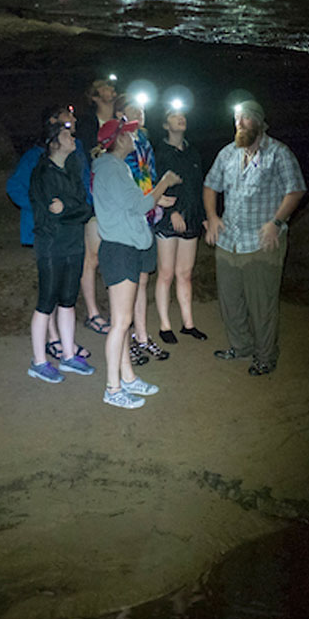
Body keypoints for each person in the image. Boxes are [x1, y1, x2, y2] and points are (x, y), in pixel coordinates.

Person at [203, 100, 306, 376]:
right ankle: (241, 346)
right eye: (237, 118)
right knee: (230, 300)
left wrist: (276, 222)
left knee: (262, 304)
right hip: (229, 241)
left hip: (261, 242)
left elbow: (295, 190)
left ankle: (265, 355)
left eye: (246, 118)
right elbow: (210, 185)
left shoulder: (279, 153)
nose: (240, 123)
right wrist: (213, 217)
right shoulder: (228, 153)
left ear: (259, 122)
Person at [92, 117, 181, 409]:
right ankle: (112, 388)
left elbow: (131, 204)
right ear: (118, 140)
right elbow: (140, 205)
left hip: (124, 247)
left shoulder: (113, 169)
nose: (133, 139)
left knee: (124, 321)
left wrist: (155, 198)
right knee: (119, 323)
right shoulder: (111, 168)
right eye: (128, 135)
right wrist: (163, 183)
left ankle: (128, 378)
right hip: (120, 250)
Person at [7, 104, 91, 361]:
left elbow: (84, 194)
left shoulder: (76, 155)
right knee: (50, 290)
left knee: (64, 291)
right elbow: (16, 187)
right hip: (47, 231)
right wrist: (41, 211)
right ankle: (53, 340)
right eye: (66, 122)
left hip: (70, 229)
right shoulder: (37, 157)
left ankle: (62, 344)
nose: (73, 122)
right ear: (52, 124)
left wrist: (76, 209)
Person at [27, 110, 95, 383]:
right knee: (46, 303)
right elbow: (50, 214)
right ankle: (38, 362)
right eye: (67, 135)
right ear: (53, 142)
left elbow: (85, 209)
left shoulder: (73, 169)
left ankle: (68, 356)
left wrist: (67, 208)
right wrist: (70, 209)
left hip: (73, 244)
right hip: (52, 247)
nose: (73, 139)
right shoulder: (42, 173)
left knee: (68, 301)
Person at [112, 96, 171, 364]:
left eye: (143, 108)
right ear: (121, 113)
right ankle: (126, 341)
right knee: (129, 283)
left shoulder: (145, 141)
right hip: (128, 221)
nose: (141, 112)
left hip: (147, 217)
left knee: (144, 279)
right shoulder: (117, 143)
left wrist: (157, 198)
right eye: (134, 108)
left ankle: (142, 336)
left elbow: (151, 175)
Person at [153, 104, 207, 344]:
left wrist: (205, 215)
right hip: (167, 220)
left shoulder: (193, 153)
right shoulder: (160, 152)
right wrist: (172, 212)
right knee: (165, 273)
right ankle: (165, 325)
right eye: (174, 116)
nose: (180, 119)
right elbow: (155, 185)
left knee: (184, 273)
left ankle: (188, 324)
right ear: (166, 125)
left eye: (183, 115)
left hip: (192, 218)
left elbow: (198, 187)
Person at [77, 78, 120, 337]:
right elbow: (82, 160)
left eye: (112, 87)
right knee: (91, 258)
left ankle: (118, 310)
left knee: (114, 254)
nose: (111, 90)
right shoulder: (86, 125)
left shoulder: (122, 123)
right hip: (94, 198)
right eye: (105, 87)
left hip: (118, 199)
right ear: (94, 96)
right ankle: (93, 313)